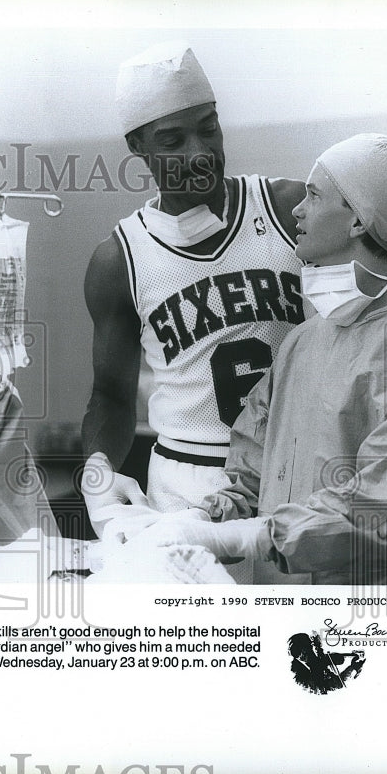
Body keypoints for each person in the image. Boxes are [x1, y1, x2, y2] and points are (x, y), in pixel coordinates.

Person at [107, 133, 387, 586]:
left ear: (358, 221)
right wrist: (199, 516)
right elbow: (250, 476)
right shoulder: (301, 344)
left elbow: (382, 506)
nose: (297, 209)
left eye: (314, 196)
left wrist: (241, 539)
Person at [81, 42, 306, 545]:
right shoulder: (120, 259)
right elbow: (111, 396)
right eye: (173, 140)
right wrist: (97, 476)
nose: (199, 153)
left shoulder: (290, 209)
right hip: (184, 488)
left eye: (208, 128)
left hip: (292, 469)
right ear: (138, 146)